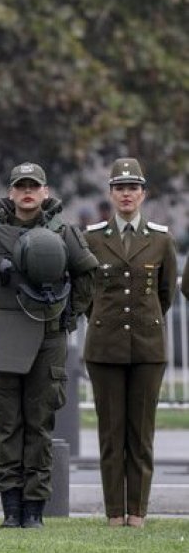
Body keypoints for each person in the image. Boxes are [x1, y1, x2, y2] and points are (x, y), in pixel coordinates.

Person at [0, 162, 96, 529]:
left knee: (40, 422)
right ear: (11, 192)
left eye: (34, 186)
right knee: (7, 424)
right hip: (0, 334)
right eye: (21, 186)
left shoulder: (63, 230)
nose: (27, 192)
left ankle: (34, 507)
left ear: (45, 192)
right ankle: (10, 506)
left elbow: (86, 273)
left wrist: (68, 316)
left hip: (47, 336)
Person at [82, 158, 178, 528]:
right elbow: (86, 293)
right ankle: (113, 512)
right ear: (111, 193)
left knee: (141, 435)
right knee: (111, 435)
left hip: (147, 347)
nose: (126, 194)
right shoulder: (93, 238)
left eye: (133, 188)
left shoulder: (161, 239)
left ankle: (136, 512)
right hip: (105, 347)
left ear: (143, 194)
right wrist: (104, 320)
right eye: (120, 188)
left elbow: (165, 295)